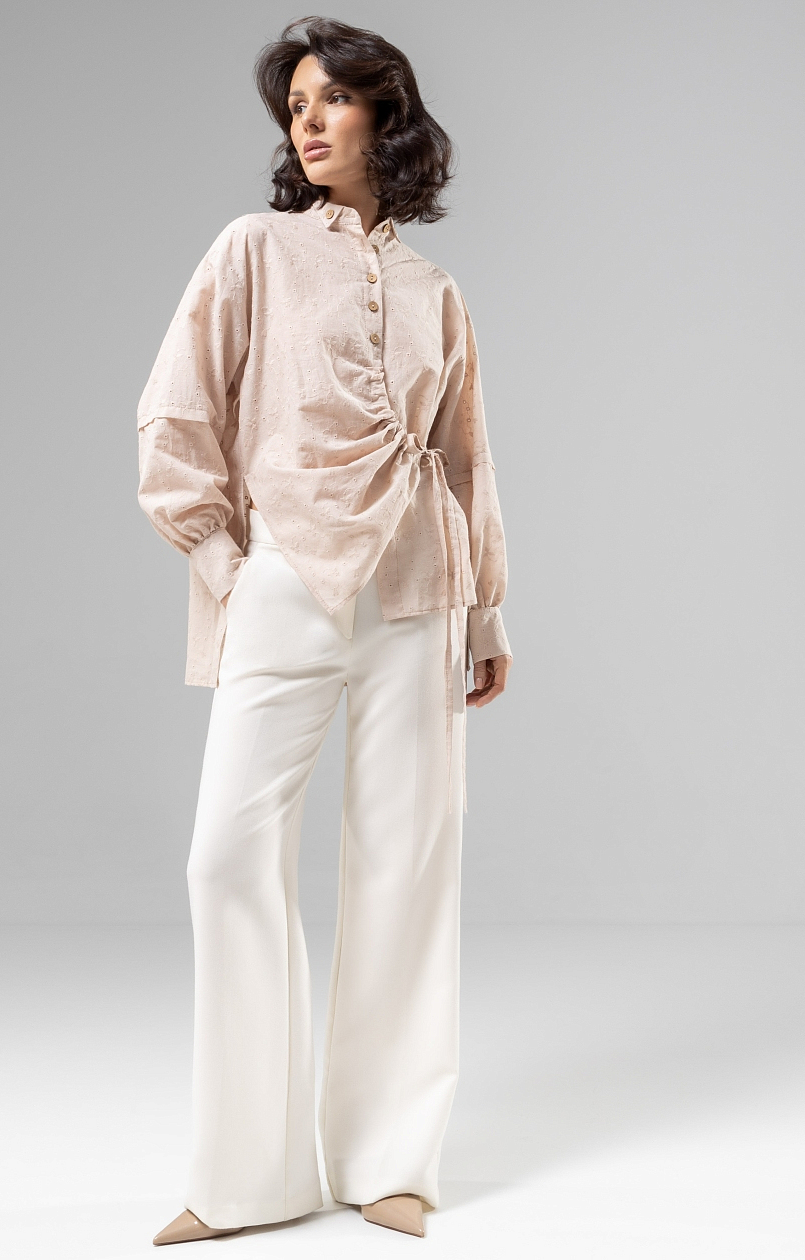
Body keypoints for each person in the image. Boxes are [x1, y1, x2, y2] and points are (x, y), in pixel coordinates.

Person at [136, 17, 512, 1245]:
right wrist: (224, 563)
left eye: (332, 100)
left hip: (419, 590)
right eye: (295, 104)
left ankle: (391, 1159)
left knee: (407, 861)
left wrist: (487, 609)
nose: (308, 122)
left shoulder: (435, 290)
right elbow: (176, 413)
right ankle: (245, 1176)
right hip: (285, 581)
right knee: (224, 856)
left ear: (384, 117)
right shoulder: (254, 249)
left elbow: (465, 457)